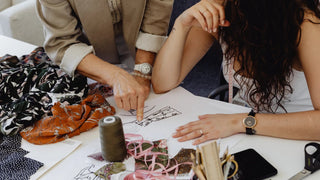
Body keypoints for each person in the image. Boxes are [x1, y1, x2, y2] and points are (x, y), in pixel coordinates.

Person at [152, 0, 320, 145]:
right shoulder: (222, 8)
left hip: (301, 137)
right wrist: (182, 25)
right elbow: (162, 84)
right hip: (252, 130)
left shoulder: (305, 23)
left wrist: (240, 122)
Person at [36, 0, 173, 121]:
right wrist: (115, 75)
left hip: (144, 43)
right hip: (89, 57)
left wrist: (143, 70)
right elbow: (62, 42)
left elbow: (157, 12)